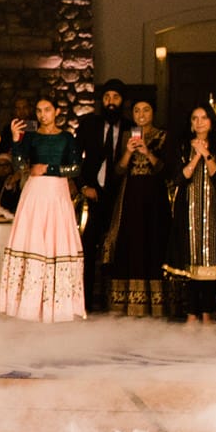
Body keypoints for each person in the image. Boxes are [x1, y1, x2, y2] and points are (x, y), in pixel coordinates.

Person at [0, 96, 86, 322]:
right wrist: (17, 140)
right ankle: (29, 303)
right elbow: (18, 165)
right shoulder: (32, 137)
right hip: (35, 194)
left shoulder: (67, 138)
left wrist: (48, 168)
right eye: (38, 111)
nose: (42, 115)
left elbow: (75, 168)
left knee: (56, 241)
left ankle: (59, 304)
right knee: (33, 240)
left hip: (57, 193)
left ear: (56, 111)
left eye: (47, 110)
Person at [101, 99, 170, 317]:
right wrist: (129, 152)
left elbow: (163, 169)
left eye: (146, 110)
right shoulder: (125, 136)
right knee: (129, 243)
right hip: (129, 198)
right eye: (137, 110)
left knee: (153, 243)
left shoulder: (163, 136)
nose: (141, 114)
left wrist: (147, 151)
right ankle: (125, 302)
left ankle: (155, 303)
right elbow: (117, 172)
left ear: (153, 113)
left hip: (154, 200)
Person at [163, 105, 216, 324]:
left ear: (211, 122)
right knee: (189, 263)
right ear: (190, 123)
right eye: (194, 118)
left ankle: (207, 312)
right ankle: (191, 313)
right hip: (187, 211)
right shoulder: (181, 146)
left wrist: (206, 153)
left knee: (210, 263)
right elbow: (179, 178)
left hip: (213, 212)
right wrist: (196, 156)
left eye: (204, 118)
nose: (199, 122)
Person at [75, 78, 133, 311]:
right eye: (107, 97)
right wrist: (83, 186)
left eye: (115, 98)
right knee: (88, 248)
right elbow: (74, 158)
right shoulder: (89, 123)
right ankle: (85, 301)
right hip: (92, 194)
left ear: (122, 101)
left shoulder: (131, 127)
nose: (110, 102)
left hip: (121, 196)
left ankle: (114, 301)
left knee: (118, 249)